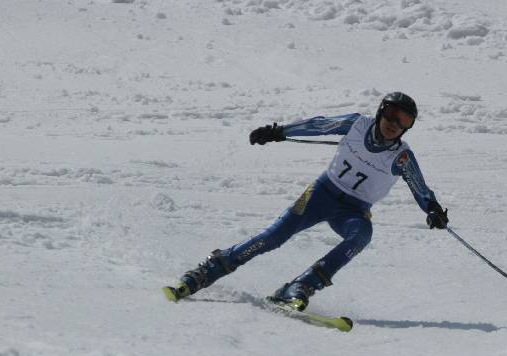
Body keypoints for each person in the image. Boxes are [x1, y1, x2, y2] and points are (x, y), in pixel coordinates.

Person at [163, 92, 449, 310]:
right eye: (391, 114)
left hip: (353, 210)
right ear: (380, 111)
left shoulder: (401, 156)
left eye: (404, 121)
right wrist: (279, 132)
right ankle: (207, 271)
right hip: (321, 194)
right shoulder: (356, 125)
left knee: (362, 234)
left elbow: (419, 187)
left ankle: (300, 286)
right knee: (274, 237)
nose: (394, 124)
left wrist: (433, 210)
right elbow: (319, 126)